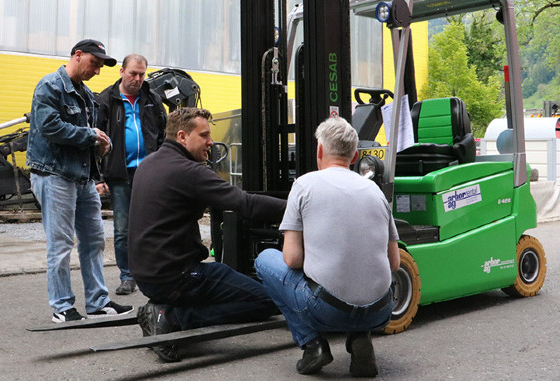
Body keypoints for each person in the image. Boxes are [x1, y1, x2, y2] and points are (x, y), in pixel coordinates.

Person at [128, 107, 286, 362]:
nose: (211, 142)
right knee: (268, 301)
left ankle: (165, 308)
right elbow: (246, 204)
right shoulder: (190, 172)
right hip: (177, 277)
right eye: (204, 135)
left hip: (146, 275)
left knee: (225, 279)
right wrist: (298, 209)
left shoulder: (148, 164)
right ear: (182, 136)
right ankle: (171, 318)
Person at [254, 116, 400, 377]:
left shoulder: (304, 185)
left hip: (327, 310)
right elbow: (394, 263)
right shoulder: (376, 192)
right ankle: (360, 338)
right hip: (380, 310)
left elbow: (292, 259)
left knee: (265, 259)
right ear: (355, 156)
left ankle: (312, 344)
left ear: (320, 150)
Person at [27, 39, 132, 323]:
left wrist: (101, 147)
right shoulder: (50, 86)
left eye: (100, 66)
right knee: (61, 244)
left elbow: (87, 136)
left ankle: (97, 302)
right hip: (54, 175)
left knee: (95, 239)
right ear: (77, 55)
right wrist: (90, 136)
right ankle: (62, 307)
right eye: (94, 63)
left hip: (83, 178)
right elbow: (49, 127)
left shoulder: (86, 95)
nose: (97, 71)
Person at [96, 54, 167, 296]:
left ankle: (155, 272)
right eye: (133, 73)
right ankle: (127, 276)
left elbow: (162, 135)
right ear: (121, 72)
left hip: (149, 174)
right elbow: (95, 141)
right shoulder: (106, 100)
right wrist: (99, 176)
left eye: (141, 74)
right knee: (123, 229)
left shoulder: (152, 99)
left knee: (154, 225)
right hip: (119, 175)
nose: (137, 79)